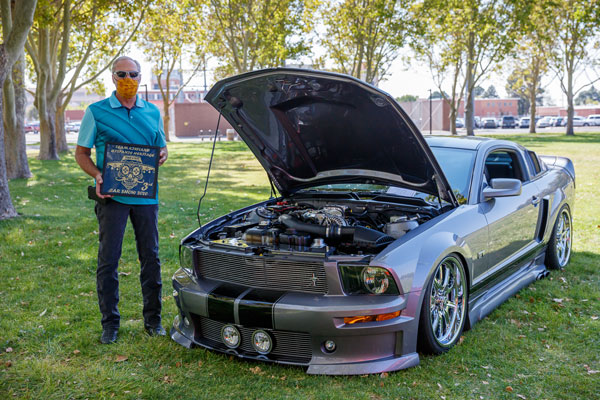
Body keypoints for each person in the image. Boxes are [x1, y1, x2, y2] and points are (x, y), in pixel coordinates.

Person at [75, 56, 168, 344]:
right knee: (108, 260)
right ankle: (110, 324)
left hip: (145, 197)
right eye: (122, 74)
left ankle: (153, 321)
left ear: (141, 78)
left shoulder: (152, 112)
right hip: (112, 197)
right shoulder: (96, 111)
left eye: (134, 74)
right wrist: (98, 174)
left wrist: (163, 155)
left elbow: (161, 149)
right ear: (112, 77)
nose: (128, 79)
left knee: (150, 258)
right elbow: (81, 154)